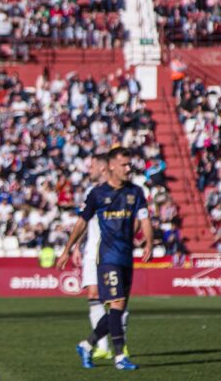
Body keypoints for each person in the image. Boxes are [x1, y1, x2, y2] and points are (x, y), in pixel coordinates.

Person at [57, 146, 153, 371]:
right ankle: (120, 356)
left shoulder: (135, 192)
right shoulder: (98, 194)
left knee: (116, 311)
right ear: (111, 166)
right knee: (116, 305)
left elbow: (145, 219)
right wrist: (68, 249)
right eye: (124, 164)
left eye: (130, 164)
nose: (128, 168)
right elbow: (81, 223)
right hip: (106, 257)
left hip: (126, 257)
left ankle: (86, 345)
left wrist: (149, 242)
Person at [70, 153, 128, 360]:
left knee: (117, 300)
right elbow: (84, 221)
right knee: (94, 296)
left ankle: (120, 345)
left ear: (103, 168)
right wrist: (76, 246)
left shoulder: (122, 190)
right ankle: (102, 347)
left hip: (112, 251)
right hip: (92, 252)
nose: (89, 170)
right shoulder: (91, 191)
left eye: (92, 166)